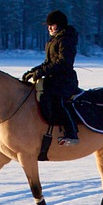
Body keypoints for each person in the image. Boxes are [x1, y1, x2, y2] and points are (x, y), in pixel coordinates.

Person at [23, 10, 81, 145]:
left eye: (52, 25)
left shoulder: (66, 39)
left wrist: (41, 72)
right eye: (48, 25)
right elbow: (48, 62)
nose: (49, 28)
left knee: (55, 101)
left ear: (59, 25)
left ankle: (71, 133)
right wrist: (34, 71)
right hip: (53, 80)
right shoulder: (53, 41)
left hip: (64, 81)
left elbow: (63, 63)